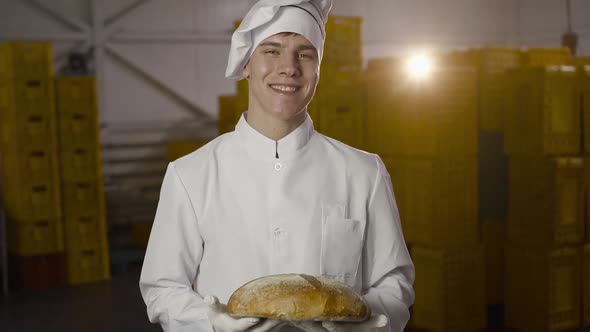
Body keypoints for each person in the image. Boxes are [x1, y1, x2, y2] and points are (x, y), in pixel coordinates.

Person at [139, 0, 415, 331]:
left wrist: (367, 324)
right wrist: (211, 324)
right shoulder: (190, 175)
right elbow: (162, 287)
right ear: (245, 64)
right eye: (271, 50)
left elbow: (394, 282)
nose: (289, 67)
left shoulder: (364, 172)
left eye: (305, 53)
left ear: (318, 69)